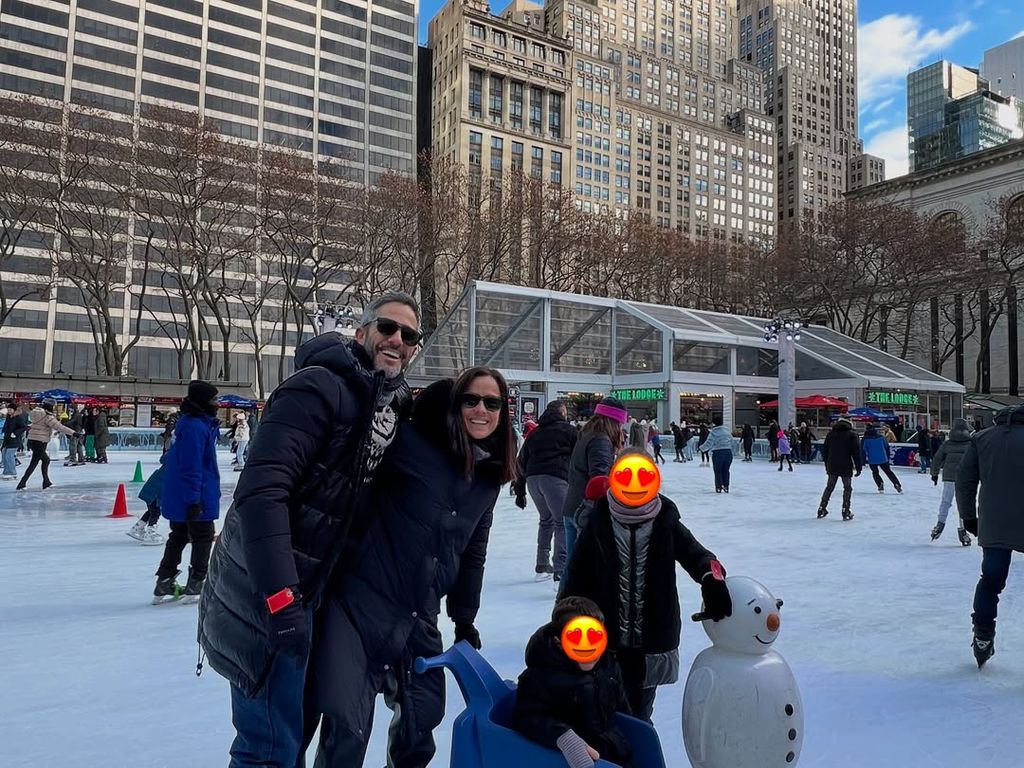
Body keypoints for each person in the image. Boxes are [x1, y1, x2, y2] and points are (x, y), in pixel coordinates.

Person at [199, 291, 419, 768]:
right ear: (361, 334)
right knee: (269, 747)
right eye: (387, 328)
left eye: (409, 335)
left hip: (317, 591)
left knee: (290, 735)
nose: (397, 340)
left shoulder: (392, 407)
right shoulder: (317, 388)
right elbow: (262, 494)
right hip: (265, 588)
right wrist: (280, 598)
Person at [309, 367, 515, 767]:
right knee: (348, 725)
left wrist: (464, 617)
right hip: (361, 602)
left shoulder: (488, 478)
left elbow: (473, 549)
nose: (481, 410)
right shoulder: (413, 443)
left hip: (420, 611)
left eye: (492, 403)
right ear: (455, 405)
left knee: (422, 719)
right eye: (470, 399)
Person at [563, 449, 732, 720]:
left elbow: (699, 556)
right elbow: (575, 577)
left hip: (651, 641)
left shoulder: (666, 520)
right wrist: (564, 619)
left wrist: (712, 578)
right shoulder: (599, 521)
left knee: (640, 715)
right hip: (606, 640)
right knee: (606, 713)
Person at [512, 596, 634, 768]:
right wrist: (564, 737)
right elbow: (528, 717)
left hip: (614, 751)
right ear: (559, 642)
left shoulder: (608, 664)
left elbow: (622, 706)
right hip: (568, 759)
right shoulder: (541, 676)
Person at [956, 405, 1024, 667]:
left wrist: (969, 517)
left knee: (991, 580)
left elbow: (964, 480)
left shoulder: (981, 439)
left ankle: (983, 635)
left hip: (994, 522)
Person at [152, 380, 221, 603]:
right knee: (202, 536)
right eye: (214, 399)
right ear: (203, 401)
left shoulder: (194, 424)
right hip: (194, 494)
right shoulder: (194, 427)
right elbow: (192, 466)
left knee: (179, 535)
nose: (218, 403)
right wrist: (194, 500)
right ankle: (196, 584)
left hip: (183, 493)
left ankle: (164, 581)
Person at [559, 398, 628, 586]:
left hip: (572, 507)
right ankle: (572, 609)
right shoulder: (601, 440)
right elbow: (599, 481)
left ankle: (563, 608)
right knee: (584, 569)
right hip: (586, 511)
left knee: (572, 566)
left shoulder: (587, 434)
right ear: (614, 421)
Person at [513, 399, 578, 581]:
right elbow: (579, 456)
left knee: (546, 519)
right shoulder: (569, 431)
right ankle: (560, 568)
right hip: (556, 478)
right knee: (562, 522)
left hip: (534, 480)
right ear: (561, 413)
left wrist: (520, 491)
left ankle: (542, 564)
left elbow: (521, 460)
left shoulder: (535, 433)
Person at [16, 399, 75, 491]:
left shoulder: (35, 413)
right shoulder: (48, 417)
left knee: (46, 460)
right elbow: (59, 427)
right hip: (40, 441)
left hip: (32, 440)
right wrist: (74, 433)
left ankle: (46, 482)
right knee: (34, 463)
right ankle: (22, 483)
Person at [930, 417, 972, 545]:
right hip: (965, 478)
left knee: (946, 502)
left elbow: (937, 459)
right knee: (963, 505)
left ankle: (940, 524)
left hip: (949, 477)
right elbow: (979, 460)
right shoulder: (971, 444)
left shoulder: (947, 444)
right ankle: (963, 531)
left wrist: (934, 474)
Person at [816, 417, 862, 520]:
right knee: (847, 487)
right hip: (846, 465)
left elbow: (825, 451)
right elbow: (856, 452)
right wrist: (859, 467)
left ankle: (821, 507)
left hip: (832, 464)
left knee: (830, 486)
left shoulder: (831, 434)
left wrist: (827, 465)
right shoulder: (852, 434)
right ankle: (846, 510)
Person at [128, 455, 166, 545]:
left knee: (151, 511)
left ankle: (137, 528)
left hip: (150, 491)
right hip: (155, 493)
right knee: (155, 512)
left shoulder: (168, 465)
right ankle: (150, 532)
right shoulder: (172, 469)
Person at [861, 424, 902, 494]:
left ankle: (880, 484)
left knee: (875, 472)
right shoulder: (881, 437)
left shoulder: (865, 439)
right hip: (883, 458)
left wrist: (863, 461)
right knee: (888, 472)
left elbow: (863, 450)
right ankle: (896, 484)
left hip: (872, 459)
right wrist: (887, 456)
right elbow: (886, 447)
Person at [698, 416, 734, 493]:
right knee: (726, 470)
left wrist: (701, 448)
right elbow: (732, 441)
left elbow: (709, 443)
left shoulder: (714, 432)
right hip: (728, 452)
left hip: (718, 453)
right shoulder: (727, 431)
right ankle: (726, 486)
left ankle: (719, 487)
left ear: (714, 423)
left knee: (718, 471)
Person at [2, 404, 28, 481]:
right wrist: (4, 431)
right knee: (4, 455)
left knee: (9, 456)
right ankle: (6, 472)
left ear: (14, 410)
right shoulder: (9, 417)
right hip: (7, 439)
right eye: (8, 409)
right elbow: (6, 426)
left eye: (10, 409)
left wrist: (15, 433)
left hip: (14, 440)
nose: (9, 411)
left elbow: (24, 427)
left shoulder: (18, 417)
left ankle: (12, 473)